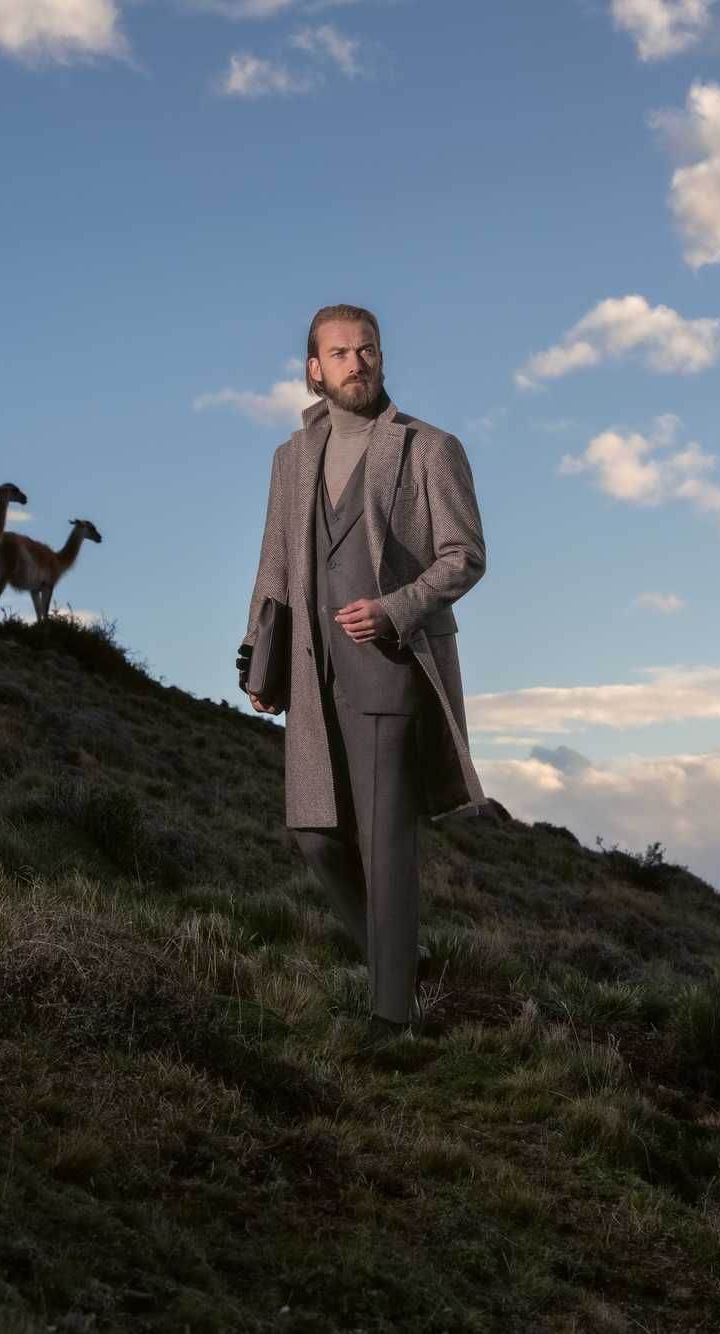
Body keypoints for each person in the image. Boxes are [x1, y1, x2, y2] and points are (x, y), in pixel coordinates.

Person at [236, 303, 487, 1039]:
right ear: (314, 369)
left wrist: (395, 609)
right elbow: (275, 565)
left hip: (390, 672)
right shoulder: (290, 459)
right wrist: (262, 661)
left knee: (385, 845)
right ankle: (403, 963)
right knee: (314, 832)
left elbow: (464, 556)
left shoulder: (429, 449)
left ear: (382, 358)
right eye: (339, 353)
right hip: (313, 680)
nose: (356, 363)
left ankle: (391, 1018)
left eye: (367, 349)